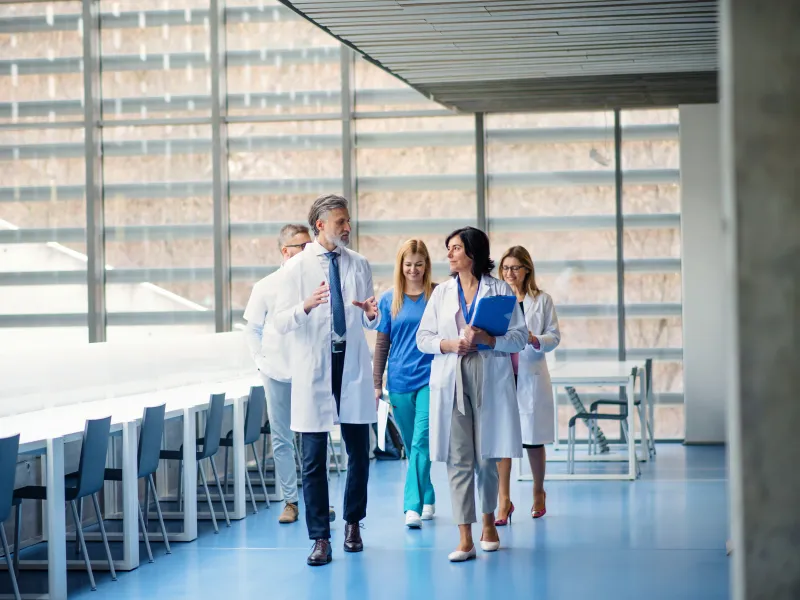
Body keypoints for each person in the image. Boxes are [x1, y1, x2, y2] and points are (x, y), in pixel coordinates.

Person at [272, 194, 379, 567]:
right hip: (314, 369)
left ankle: (353, 523)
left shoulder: (359, 264)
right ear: (320, 225)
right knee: (314, 459)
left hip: (350, 368)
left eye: (347, 222)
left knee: (359, 455)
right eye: (340, 223)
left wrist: (370, 314)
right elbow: (279, 322)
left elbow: (370, 319)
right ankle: (319, 537)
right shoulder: (296, 268)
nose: (347, 228)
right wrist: (305, 306)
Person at [416, 226, 526, 562]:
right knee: (458, 458)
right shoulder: (441, 293)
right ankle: (465, 536)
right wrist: (448, 344)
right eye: (448, 248)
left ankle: (489, 522)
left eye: (455, 248)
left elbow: (520, 338)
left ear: (473, 254)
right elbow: (424, 338)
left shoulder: (499, 291)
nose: (449, 254)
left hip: (488, 371)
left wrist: (489, 341)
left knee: (486, 458)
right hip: (453, 373)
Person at [243, 224, 311, 525]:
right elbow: (252, 328)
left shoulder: (314, 283)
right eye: (303, 247)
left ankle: (316, 499)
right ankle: (290, 501)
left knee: (312, 437)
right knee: (283, 439)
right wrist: (260, 361)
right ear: (287, 251)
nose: (310, 251)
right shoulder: (265, 286)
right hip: (276, 372)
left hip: (308, 370)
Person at [373, 239, 436, 529]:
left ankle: (411, 506)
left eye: (419, 264)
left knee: (422, 440)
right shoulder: (389, 299)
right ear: (401, 266)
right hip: (398, 381)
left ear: (426, 265)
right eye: (408, 264)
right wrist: (377, 382)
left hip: (431, 379)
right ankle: (428, 494)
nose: (413, 269)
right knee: (413, 447)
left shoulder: (437, 295)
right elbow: (382, 343)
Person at [495, 246, 561, 525]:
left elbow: (554, 336)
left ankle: (538, 491)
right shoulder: (496, 299)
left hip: (530, 372)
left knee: (532, 439)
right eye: (505, 268)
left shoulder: (542, 300)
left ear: (527, 270)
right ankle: (504, 501)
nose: (510, 273)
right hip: (502, 374)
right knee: (503, 441)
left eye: (515, 268)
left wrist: (537, 340)